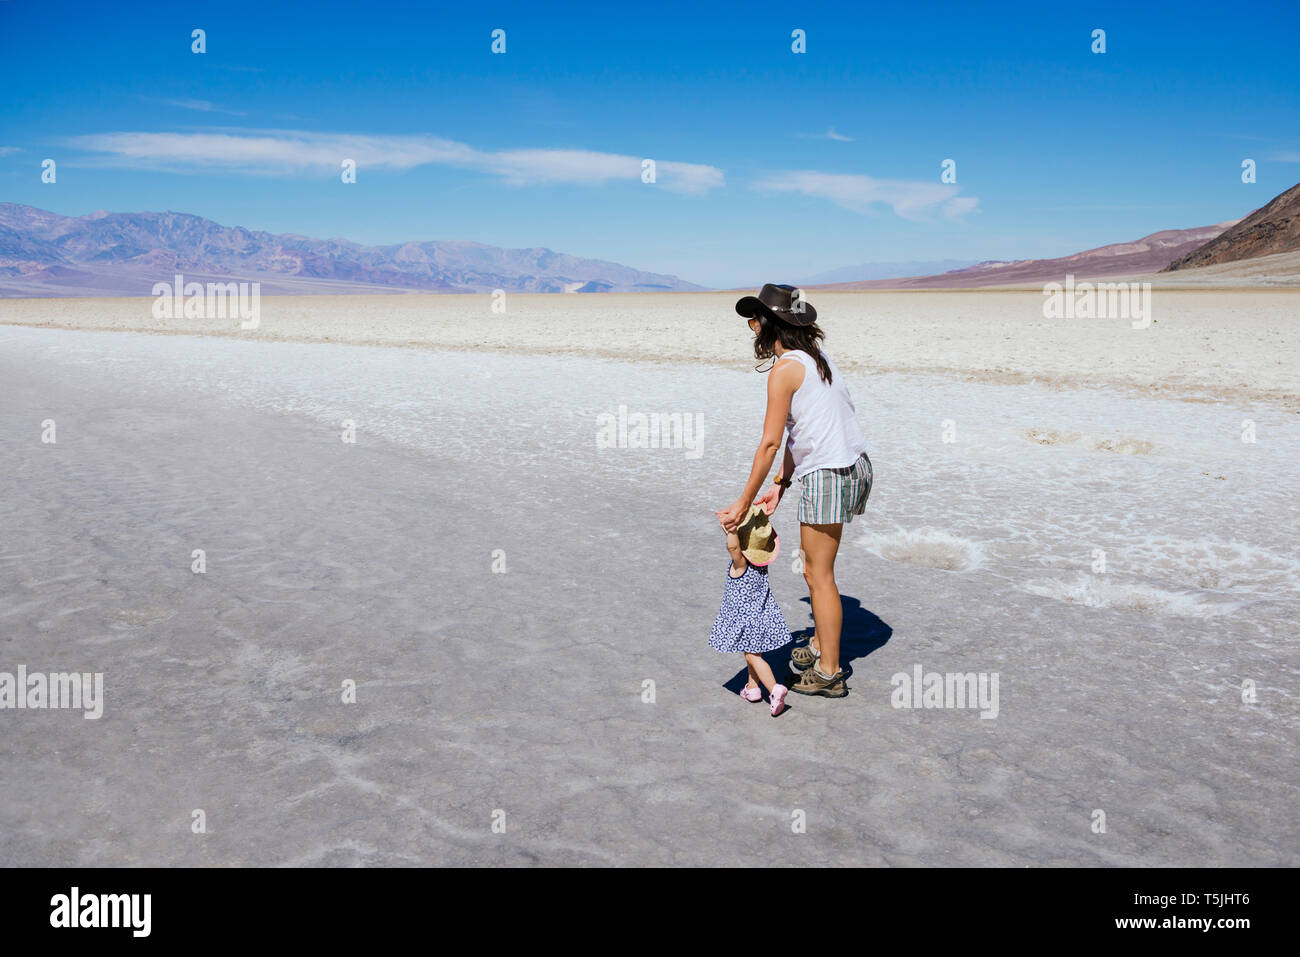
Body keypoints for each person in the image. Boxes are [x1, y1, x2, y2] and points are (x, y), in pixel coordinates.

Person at [716, 284, 873, 698]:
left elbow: (769, 443)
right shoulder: (817, 360)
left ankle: (829, 671)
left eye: (755, 321)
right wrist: (780, 486)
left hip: (829, 474)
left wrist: (744, 501)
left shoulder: (786, 369)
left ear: (772, 324)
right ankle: (822, 644)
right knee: (817, 570)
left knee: (816, 574)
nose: (752, 329)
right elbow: (799, 433)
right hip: (854, 466)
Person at [708, 505, 791, 717]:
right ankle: (752, 688)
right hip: (762, 615)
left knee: (753, 656)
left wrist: (733, 532)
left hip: (745, 620)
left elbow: (734, 550)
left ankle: (774, 690)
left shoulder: (741, 564)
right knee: (752, 652)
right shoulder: (760, 565)